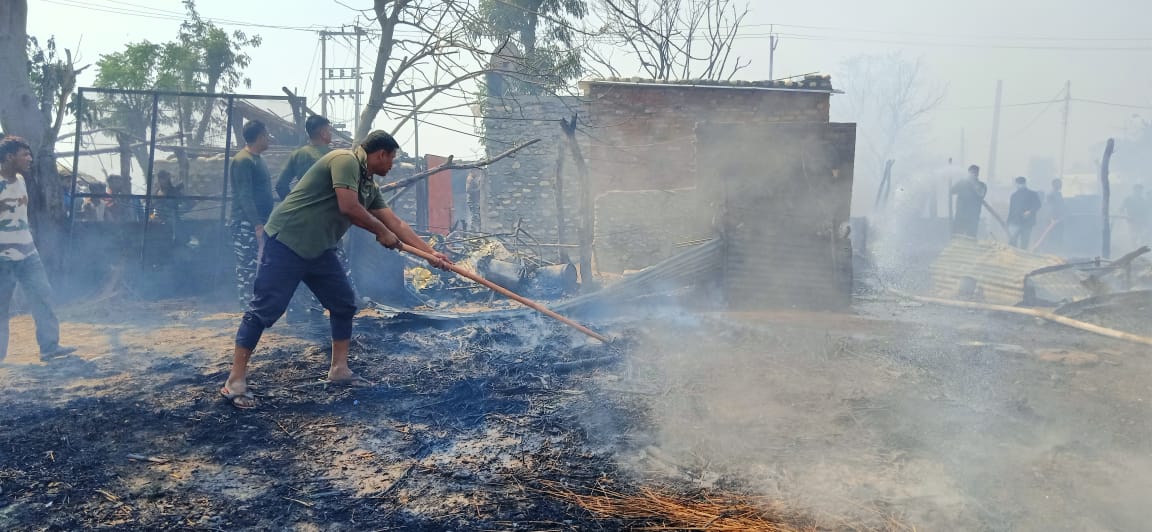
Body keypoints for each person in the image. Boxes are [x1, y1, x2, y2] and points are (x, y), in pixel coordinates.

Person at [219, 131, 452, 408]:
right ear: (381, 154)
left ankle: (339, 370)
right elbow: (349, 206)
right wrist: (380, 232)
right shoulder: (345, 160)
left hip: (320, 249)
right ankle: (235, 381)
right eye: (392, 160)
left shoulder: (368, 185)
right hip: (287, 240)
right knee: (265, 308)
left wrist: (430, 254)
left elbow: (396, 223)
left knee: (343, 304)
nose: (391, 166)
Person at [0, 136, 76, 362]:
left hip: (28, 253)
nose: (30, 159)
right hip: (2, 257)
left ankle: (49, 347)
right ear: (10, 156)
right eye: (25, 154)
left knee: (42, 296)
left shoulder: (22, 180)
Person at [230, 120, 275, 308]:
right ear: (259, 137)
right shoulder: (243, 160)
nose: (269, 138)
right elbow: (244, 195)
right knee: (248, 267)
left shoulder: (258, 159)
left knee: (261, 266)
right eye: (266, 135)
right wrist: (256, 224)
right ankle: (247, 311)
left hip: (262, 222)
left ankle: (257, 307)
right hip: (246, 223)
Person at [275, 115, 333, 201]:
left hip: (303, 208)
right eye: (329, 130)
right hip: (326, 209)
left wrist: (293, 205)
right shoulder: (333, 156)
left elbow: (281, 185)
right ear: (323, 133)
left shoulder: (297, 154)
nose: (330, 133)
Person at [950, 164, 987, 238]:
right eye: (971, 172)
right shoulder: (962, 183)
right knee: (957, 237)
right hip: (960, 216)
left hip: (973, 218)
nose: (973, 174)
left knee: (971, 238)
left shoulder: (982, 185)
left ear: (977, 174)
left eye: (974, 173)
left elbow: (981, 194)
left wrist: (973, 183)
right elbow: (952, 191)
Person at [1007, 176, 1042, 249]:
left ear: (1024, 184)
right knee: (1012, 241)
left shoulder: (1032, 194)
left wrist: (1030, 211)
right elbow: (1011, 210)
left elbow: (1038, 205)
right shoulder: (1014, 195)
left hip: (1027, 222)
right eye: (1018, 184)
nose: (1018, 185)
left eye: (1020, 183)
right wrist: (1008, 221)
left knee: (1024, 242)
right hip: (1015, 222)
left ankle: (1022, 256)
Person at [1043, 178, 1066, 252]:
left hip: (1059, 218)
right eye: (1059, 184)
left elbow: (1061, 205)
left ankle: (1058, 250)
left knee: (1059, 236)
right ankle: (1052, 250)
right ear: (1054, 185)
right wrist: (1052, 218)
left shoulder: (1058, 194)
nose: (1061, 185)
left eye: (1061, 184)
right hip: (1053, 219)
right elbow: (1050, 207)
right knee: (1052, 236)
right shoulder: (1051, 194)